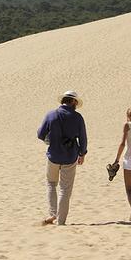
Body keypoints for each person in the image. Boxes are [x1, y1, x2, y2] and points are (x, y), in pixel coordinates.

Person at [37, 90, 88, 226]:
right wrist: (82, 153)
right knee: (65, 189)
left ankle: (53, 214)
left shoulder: (51, 115)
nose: (76, 104)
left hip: (53, 155)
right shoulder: (77, 118)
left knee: (51, 184)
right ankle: (61, 221)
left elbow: (40, 134)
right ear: (72, 101)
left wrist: (50, 139)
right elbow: (83, 138)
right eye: (75, 101)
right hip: (70, 157)